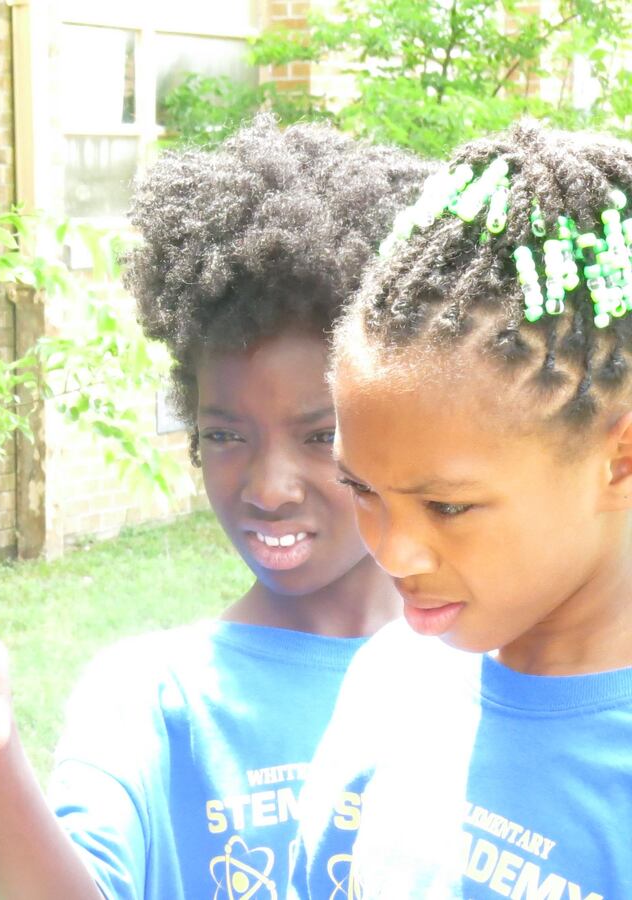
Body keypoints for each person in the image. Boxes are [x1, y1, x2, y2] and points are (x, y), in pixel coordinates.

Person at [0, 120, 429, 898]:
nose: (269, 486)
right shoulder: (154, 695)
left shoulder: (487, 671)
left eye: (320, 436)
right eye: (225, 433)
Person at [290, 123, 632, 898]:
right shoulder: (392, 675)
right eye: (362, 489)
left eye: (447, 506)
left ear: (620, 460)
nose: (393, 552)